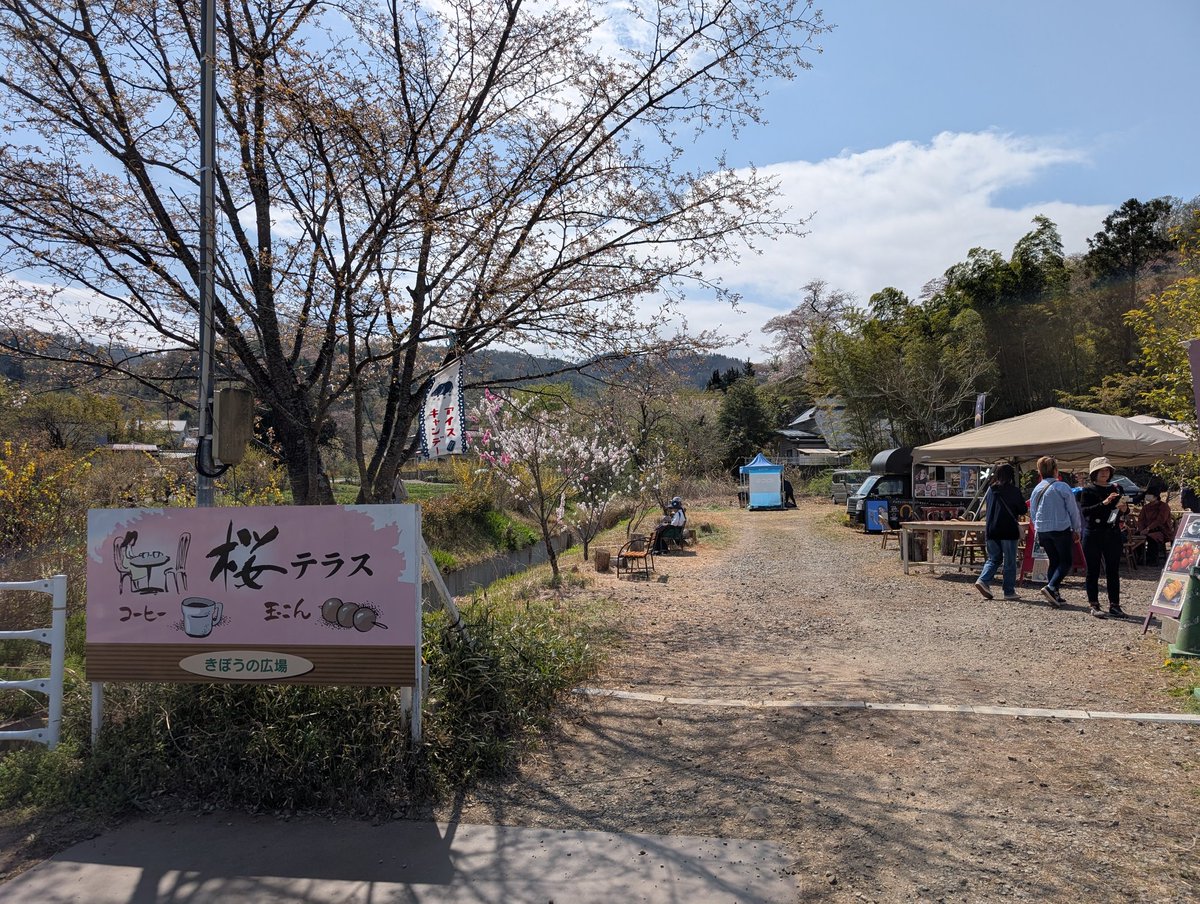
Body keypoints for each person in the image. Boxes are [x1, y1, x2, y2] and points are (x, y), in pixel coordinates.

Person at [1078, 456, 1129, 619]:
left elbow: (1123, 512)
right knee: (1093, 571)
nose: (1104, 473)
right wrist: (1105, 503)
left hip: (1112, 532)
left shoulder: (1117, 488)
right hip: (1093, 533)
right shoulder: (1088, 490)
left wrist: (1124, 508)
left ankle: (1115, 604)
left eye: (1107, 470)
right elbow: (1086, 511)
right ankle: (1094, 604)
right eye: (1101, 470)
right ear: (1094, 473)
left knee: (1113, 570)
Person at [1028, 455, 1081, 610]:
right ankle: (1051, 587)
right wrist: (1076, 529)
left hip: (1043, 529)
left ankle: (1054, 592)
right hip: (1060, 528)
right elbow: (1073, 510)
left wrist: (1037, 527)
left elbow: (1033, 511)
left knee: (1054, 560)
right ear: (1056, 470)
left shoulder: (1037, 489)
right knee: (1066, 561)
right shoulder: (1062, 487)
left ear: (1040, 472)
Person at [973, 464, 1024, 601]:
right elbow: (1022, 509)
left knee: (993, 558)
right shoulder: (1014, 491)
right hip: (1008, 530)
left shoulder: (990, 490)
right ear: (1011, 475)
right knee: (1010, 561)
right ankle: (1008, 591)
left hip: (991, 529)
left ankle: (983, 580)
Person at [1137, 489, 1175, 566]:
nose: (1147, 497)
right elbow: (1141, 519)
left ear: (1156, 496)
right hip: (1146, 529)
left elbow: (1160, 520)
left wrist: (1148, 528)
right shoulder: (1146, 507)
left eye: (1149, 495)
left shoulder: (1163, 506)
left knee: (1152, 538)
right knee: (1136, 537)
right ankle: (1139, 558)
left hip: (1161, 530)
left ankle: (1153, 560)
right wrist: (1141, 529)